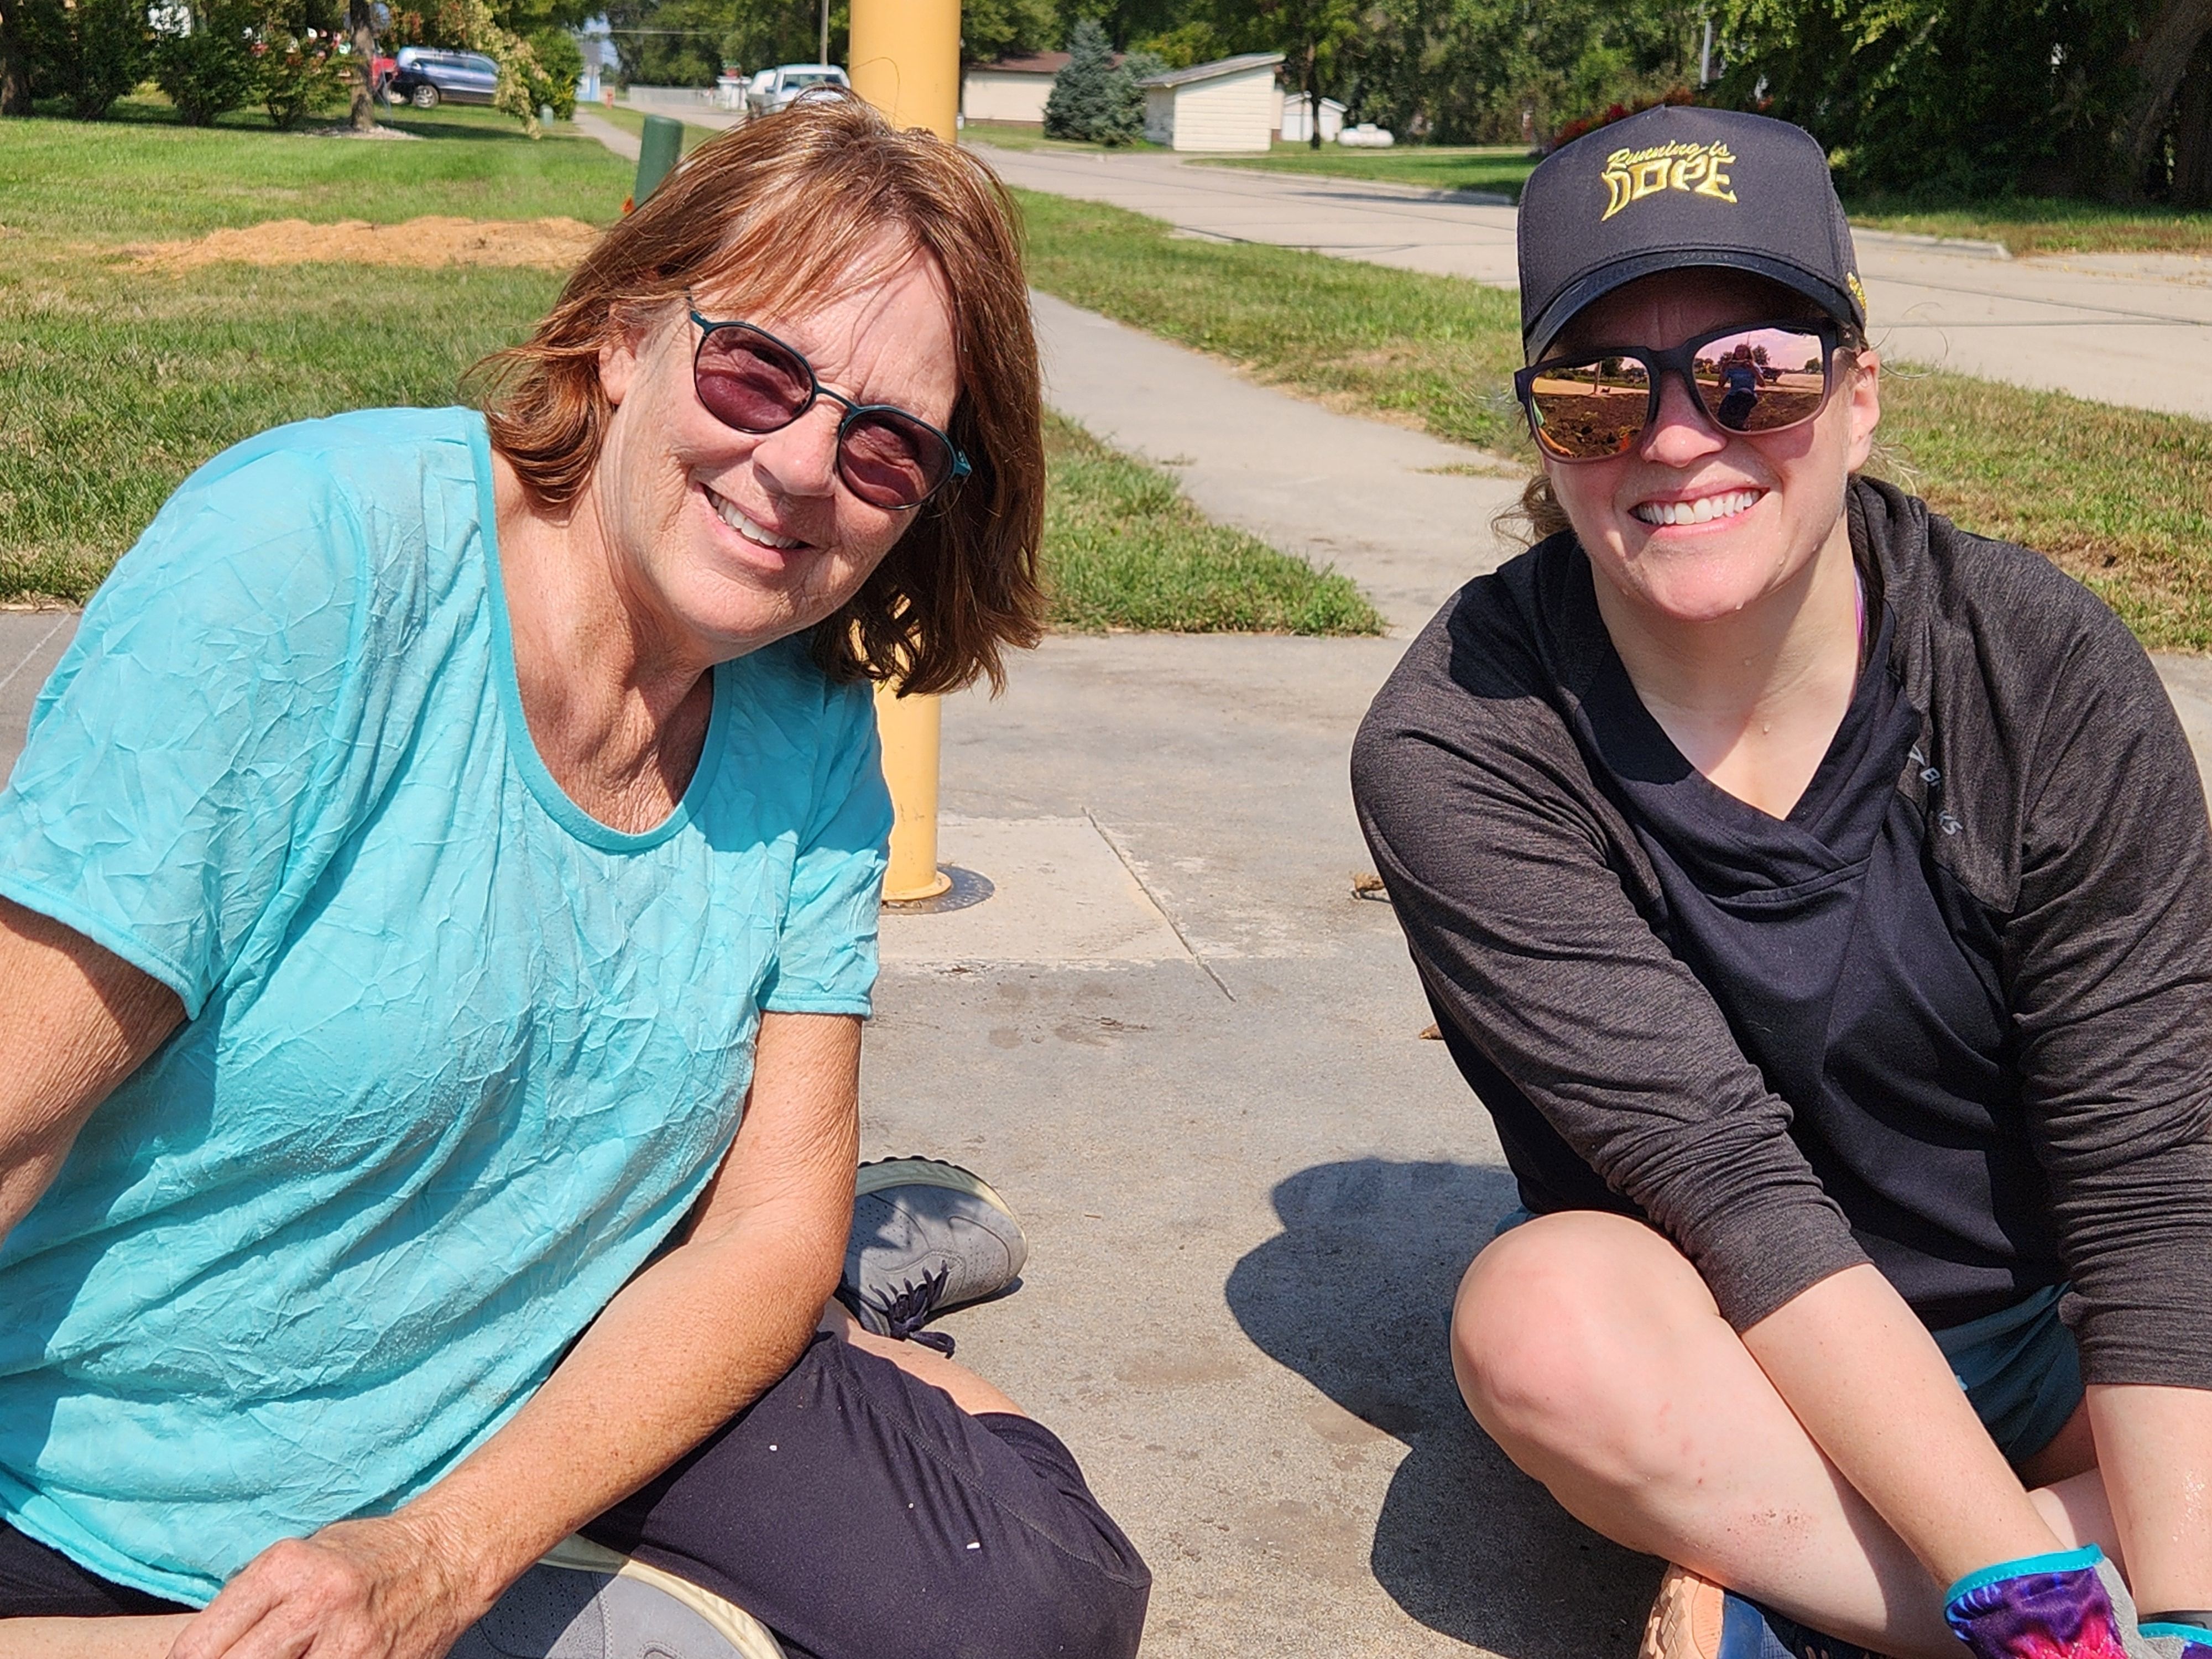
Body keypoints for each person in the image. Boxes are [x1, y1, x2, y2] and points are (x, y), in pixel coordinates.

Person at [0, 98, 1148, 1659]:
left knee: (1034, 1600)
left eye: (887, 446)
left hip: (533, 1357)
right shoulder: (309, 563)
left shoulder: (809, 724)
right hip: (92, 1495)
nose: (803, 465)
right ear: (622, 332)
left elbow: (761, 1233)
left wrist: (448, 1549)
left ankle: (851, 1304)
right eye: (758, 369)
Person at [1353, 105, 2212, 1659]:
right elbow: (1733, 1195)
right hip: (1736, 1362)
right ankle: (2014, 1589)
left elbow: (2152, 1189)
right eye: (1600, 392)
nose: (1680, 437)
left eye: (1757, 375)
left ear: (1860, 395)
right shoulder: (1462, 737)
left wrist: (2198, 1620)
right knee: (1539, 1323)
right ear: (1544, 433)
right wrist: (2046, 1624)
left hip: (2061, 1333)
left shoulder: (2039, 669)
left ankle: (1822, 1594)